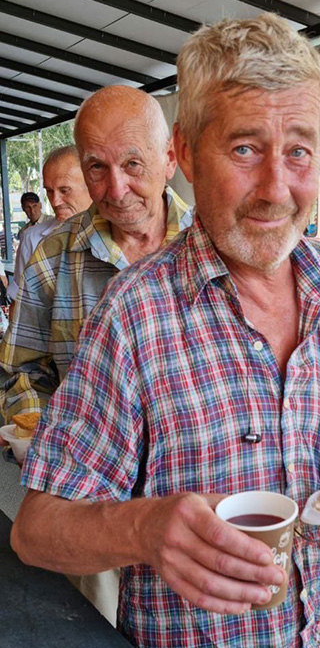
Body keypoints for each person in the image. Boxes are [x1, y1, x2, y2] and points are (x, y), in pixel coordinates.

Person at [11, 15, 320, 648]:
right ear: (183, 153)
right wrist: (146, 526)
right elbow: (37, 532)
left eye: (298, 150)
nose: (276, 190)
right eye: (244, 149)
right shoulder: (134, 315)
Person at [0, 85, 192, 423]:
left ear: (170, 160)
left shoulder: (214, 245)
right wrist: (42, 436)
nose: (117, 190)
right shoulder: (53, 256)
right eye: (97, 168)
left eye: (132, 163)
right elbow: (24, 375)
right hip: (88, 470)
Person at [7, 146, 92, 303]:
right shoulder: (32, 238)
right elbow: (19, 303)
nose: (55, 201)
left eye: (65, 190)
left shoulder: (119, 232)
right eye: (49, 191)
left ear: (91, 184)